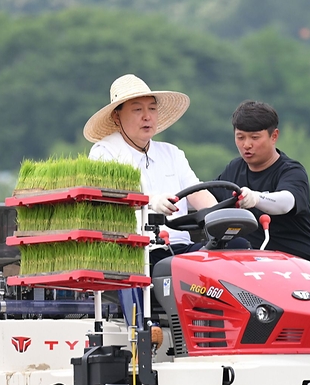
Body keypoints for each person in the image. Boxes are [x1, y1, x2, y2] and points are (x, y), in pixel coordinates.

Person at [84, 73, 219, 267]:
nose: (147, 116)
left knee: (236, 248)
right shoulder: (104, 153)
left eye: (152, 109)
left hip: (182, 248)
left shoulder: (172, 152)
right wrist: (151, 202)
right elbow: (112, 200)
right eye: (137, 109)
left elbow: (197, 191)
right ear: (116, 116)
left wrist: (219, 216)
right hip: (140, 252)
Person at [214, 100, 310, 269]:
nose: (246, 144)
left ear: (274, 136)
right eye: (240, 137)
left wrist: (256, 198)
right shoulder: (233, 169)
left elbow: (286, 202)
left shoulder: (291, 171)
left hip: (301, 264)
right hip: (255, 266)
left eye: (254, 137)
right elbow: (206, 198)